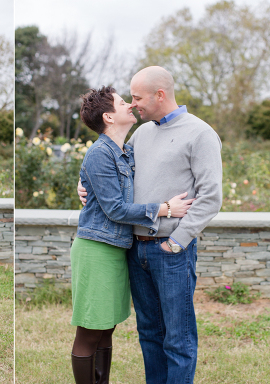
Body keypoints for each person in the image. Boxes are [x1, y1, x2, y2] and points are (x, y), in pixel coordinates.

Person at [78, 66, 223, 383]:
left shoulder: (200, 134)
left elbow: (211, 197)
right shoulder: (141, 134)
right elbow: (108, 166)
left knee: (178, 340)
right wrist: (83, 183)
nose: (133, 104)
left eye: (137, 97)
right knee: (149, 335)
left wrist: (178, 242)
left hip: (171, 252)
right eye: (129, 99)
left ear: (160, 94)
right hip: (135, 251)